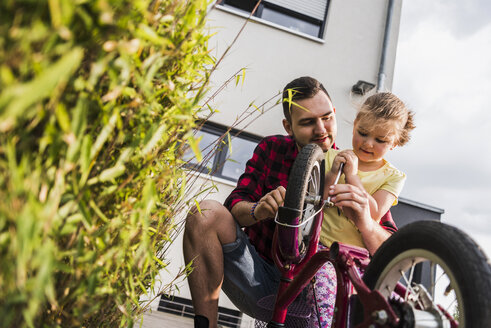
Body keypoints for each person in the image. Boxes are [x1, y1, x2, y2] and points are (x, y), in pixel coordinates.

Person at [183, 76, 398, 328]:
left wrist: (366, 221)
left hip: (320, 293)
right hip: (263, 280)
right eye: (308, 122)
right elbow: (235, 205)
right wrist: (258, 209)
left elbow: (390, 247)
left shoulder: (353, 165)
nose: (321, 130)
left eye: (327, 117)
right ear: (289, 126)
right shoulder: (272, 148)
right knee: (205, 212)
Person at [307, 92, 415, 327]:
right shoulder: (332, 156)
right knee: (323, 296)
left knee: (394, 307)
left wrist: (352, 175)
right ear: (355, 124)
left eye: (380, 140)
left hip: (359, 258)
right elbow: (315, 200)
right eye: (363, 133)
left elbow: (374, 214)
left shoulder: (393, 176)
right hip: (321, 249)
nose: (367, 143)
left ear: (395, 142)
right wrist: (334, 172)